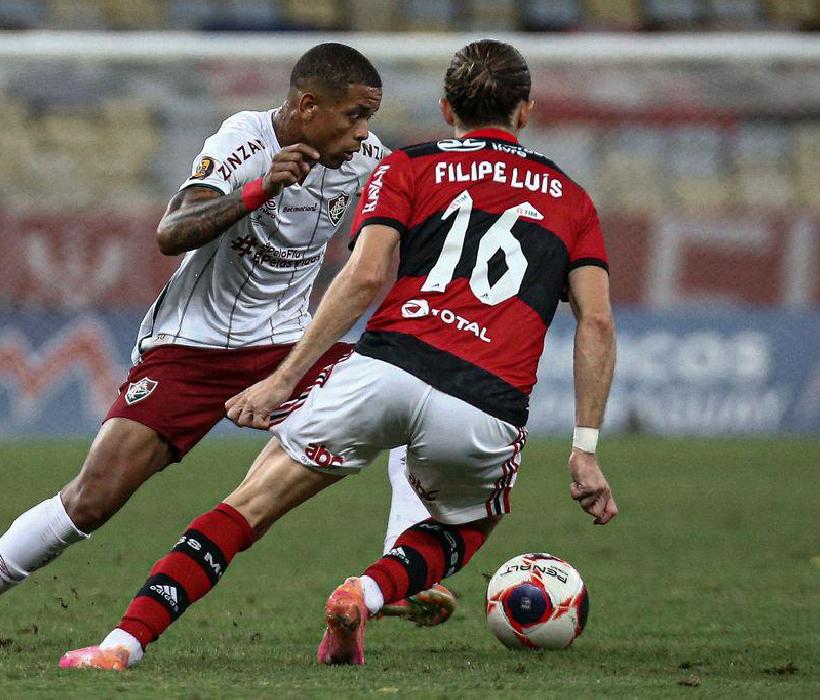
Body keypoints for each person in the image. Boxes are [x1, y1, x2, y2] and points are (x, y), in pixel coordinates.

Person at [58, 38, 619, 671]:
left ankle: (121, 644)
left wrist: (282, 380)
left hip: (383, 368)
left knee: (245, 509)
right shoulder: (572, 198)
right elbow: (595, 322)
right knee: (466, 527)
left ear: (445, 109)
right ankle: (371, 589)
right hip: (484, 398)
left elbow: (362, 277)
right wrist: (585, 449)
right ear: (525, 112)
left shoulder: (408, 165)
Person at [0, 43, 451, 654]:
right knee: (93, 497)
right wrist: (257, 190)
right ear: (308, 105)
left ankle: (400, 569)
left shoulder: (367, 161)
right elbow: (170, 232)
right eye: (354, 115)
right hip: (191, 348)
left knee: (407, 396)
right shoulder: (243, 140)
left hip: (289, 348)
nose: (362, 132)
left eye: (369, 118)